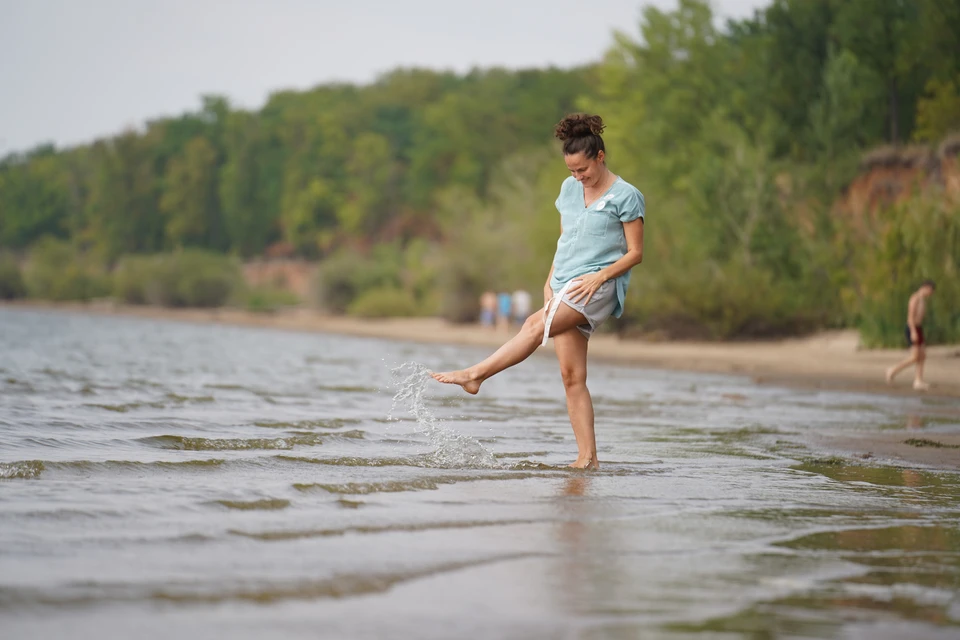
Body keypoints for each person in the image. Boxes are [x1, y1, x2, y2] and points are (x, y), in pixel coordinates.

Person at [431, 113, 645, 469]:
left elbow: (636, 253)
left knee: (532, 325)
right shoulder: (568, 188)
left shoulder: (627, 196)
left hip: (597, 286)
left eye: (583, 170)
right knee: (571, 376)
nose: (578, 177)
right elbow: (566, 241)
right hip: (564, 284)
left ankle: (475, 375)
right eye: (572, 171)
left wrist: (600, 277)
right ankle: (587, 458)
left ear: (600, 156)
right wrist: (549, 280)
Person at [886, 279, 936, 390]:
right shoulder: (915, 298)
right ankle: (892, 370)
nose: (930, 294)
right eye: (930, 291)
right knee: (915, 357)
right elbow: (910, 317)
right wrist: (913, 331)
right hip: (912, 328)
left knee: (922, 355)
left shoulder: (923, 300)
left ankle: (918, 380)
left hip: (919, 328)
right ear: (926, 287)